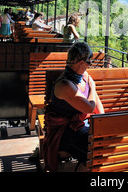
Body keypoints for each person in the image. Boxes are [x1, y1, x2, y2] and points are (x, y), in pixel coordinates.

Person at [43, 42, 104, 172]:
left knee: (103, 140)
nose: (90, 66)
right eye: (89, 62)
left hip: (80, 125)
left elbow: (96, 100)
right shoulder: (65, 85)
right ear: (81, 62)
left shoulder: (84, 76)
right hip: (64, 131)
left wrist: (103, 120)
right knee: (93, 149)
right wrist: (93, 86)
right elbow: (89, 108)